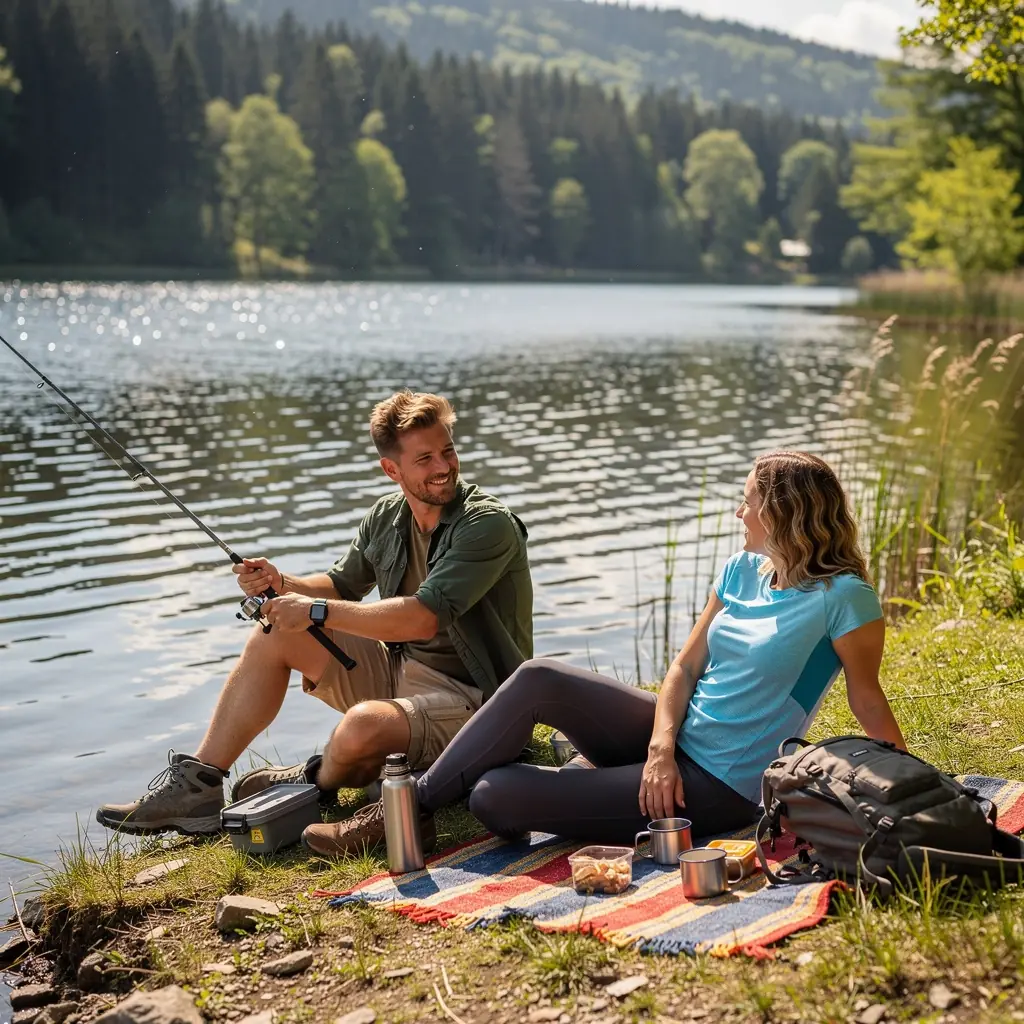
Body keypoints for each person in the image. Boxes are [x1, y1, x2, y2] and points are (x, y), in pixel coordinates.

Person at [320, 450, 906, 854]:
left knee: (494, 795)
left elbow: (867, 699)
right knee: (537, 676)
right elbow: (683, 667)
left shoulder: (843, 599)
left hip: (723, 783)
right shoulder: (743, 570)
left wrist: (907, 785)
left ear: (783, 511)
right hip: (674, 741)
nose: (739, 512)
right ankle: (408, 809)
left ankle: (437, 800)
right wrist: (659, 747)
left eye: (748, 500)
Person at [96, 390, 534, 850]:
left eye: (447, 450)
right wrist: (283, 583)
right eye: (424, 458)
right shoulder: (388, 515)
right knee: (274, 633)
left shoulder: (487, 525)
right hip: (401, 673)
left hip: (477, 703)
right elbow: (341, 587)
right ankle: (199, 788)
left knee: (362, 727)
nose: (443, 466)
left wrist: (313, 610)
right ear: (392, 470)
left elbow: (421, 619)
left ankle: (314, 777)